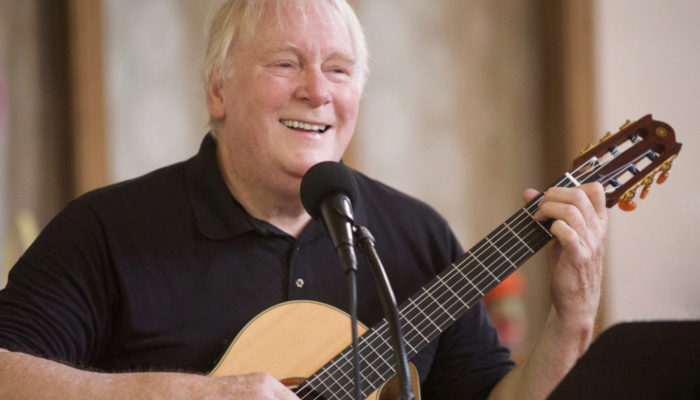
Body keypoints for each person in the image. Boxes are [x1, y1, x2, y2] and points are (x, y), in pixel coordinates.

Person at [0, 0, 607, 399]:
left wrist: (573, 322)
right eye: (286, 64)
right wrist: (199, 394)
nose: (316, 91)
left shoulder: (414, 233)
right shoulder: (107, 229)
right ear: (218, 90)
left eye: (339, 71)